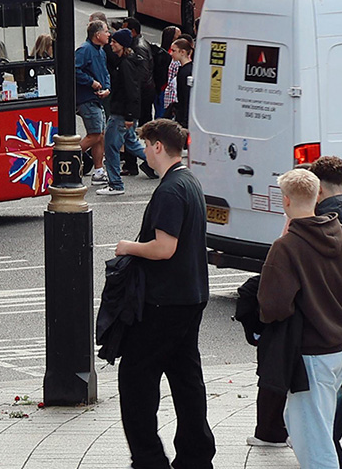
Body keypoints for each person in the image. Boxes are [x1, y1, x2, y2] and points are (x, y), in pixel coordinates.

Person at [259, 167, 342, 469]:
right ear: (318, 196)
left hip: (310, 353)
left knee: (314, 441)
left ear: (286, 201)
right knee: (308, 424)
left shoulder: (286, 246)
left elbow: (273, 305)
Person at [113, 119, 214, 469]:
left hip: (165, 300)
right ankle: (196, 456)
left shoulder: (171, 189)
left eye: (145, 144)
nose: (142, 150)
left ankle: (148, 458)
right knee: (186, 378)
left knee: (135, 377)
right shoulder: (189, 181)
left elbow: (164, 247)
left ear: (158, 146)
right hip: (191, 294)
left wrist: (128, 246)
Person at [75, 17, 118, 190]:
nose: (109, 34)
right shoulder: (84, 50)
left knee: (99, 134)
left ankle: (99, 171)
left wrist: (106, 88)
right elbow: (74, 70)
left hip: (96, 97)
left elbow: (105, 73)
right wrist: (91, 82)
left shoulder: (100, 50)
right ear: (97, 34)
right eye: (106, 31)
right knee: (95, 135)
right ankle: (68, 158)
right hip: (87, 98)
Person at [107, 28, 148, 187]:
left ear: (122, 45)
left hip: (122, 113)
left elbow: (131, 90)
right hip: (126, 112)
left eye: (114, 42)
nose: (111, 44)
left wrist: (129, 116)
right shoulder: (129, 61)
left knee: (111, 146)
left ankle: (115, 184)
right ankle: (160, 164)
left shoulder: (125, 64)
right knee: (132, 143)